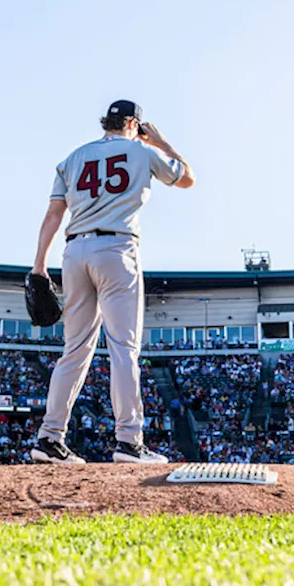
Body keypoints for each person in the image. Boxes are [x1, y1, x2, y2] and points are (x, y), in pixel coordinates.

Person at [30, 100, 196, 464]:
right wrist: (162, 143)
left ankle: (49, 437)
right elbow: (186, 178)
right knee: (124, 348)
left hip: (74, 252)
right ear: (135, 124)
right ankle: (128, 442)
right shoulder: (140, 150)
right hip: (116, 249)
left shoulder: (73, 157)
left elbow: (53, 214)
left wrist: (39, 265)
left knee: (74, 350)